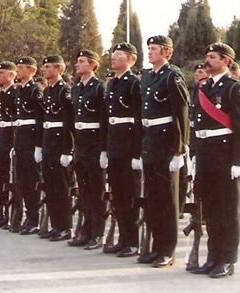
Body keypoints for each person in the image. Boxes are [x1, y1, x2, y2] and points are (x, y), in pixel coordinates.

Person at [191, 43, 240, 278]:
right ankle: (213, 257)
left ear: (226, 61)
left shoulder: (234, 88)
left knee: (229, 211)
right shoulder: (203, 87)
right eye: (207, 56)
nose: (208, 60)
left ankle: (227, 260)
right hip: (206, 155)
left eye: (213, 57)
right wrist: (196, 155)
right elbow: (198, 126)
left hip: (226, 156)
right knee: (212, 210)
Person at [138, 36, 189, 267]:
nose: (149, 52)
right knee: (153, 198)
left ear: (167, 52)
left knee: (167, 200)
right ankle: (157, 245)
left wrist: (179, 150)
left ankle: (167, 250)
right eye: (148, 48)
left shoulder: (172, 76)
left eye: (154, 49)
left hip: (166, 142)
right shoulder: (148, 77)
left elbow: (181, 114)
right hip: (150, 142)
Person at [103, 43, 141, 257]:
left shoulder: (134, 83)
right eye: (113, 55)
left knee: (129, 195)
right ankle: (123, 239)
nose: (113, 58)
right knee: (117, 195)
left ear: (131, 60)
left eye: (118, 55)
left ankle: (132, 241)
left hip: (127, 145)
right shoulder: (113, 84)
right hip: (115, 145)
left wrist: (137, 153)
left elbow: (137, 120)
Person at [67, 49, 107, 250]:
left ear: (92, 65)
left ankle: (97, 233)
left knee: (96, 191)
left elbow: (103, 120)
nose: (77, 64)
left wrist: (103, 150)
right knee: (84, 192)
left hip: (94, 144)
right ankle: (85, 230)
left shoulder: (99, 87)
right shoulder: (76, 89)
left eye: (81, 61)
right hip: (81, 145)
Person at [38, 55, 74, 241]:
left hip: (60, 142)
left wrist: (68, 150)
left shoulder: (64, 91)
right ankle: (55, 224)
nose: (44, 69)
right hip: (48, 140)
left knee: (61, 186)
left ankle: (65, 226)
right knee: (50, 185)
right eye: (44, 66)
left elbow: (68, 123)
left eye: (49, 67)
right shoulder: (47, 91)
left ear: (59, 69)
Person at [13, 56, 43, 234]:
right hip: (21, 140)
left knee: (32, 181)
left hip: (31, 140)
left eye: (22, 68)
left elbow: (40, 119)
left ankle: (34, 217)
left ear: (32, 71)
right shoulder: (20, 90)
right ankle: (28, 215)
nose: (19, 71)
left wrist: (38, 145)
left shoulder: (34, 89)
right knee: (22, 181)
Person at [0, 61, 19, 228]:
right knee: (2, 176)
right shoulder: (2, 93)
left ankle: (14, 213)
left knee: (13, 179)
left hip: (13, 137)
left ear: (11, 75)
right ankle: (3, 211)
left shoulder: (16, 92)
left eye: (2, 73)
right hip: (3, 138)